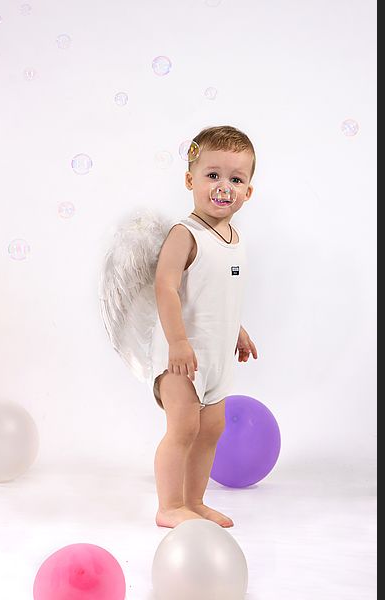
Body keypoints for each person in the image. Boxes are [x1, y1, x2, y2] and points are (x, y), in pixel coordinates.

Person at [151, 125, 258, 528]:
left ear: (248, 192)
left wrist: (239, 330)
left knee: (210, 430)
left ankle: (194, 502)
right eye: (212, 175)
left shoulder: (234, 238)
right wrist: (177, 342)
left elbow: (218, 297)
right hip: (183, 356)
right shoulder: (186, 234)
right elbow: (166, 287)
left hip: (217, 358)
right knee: (183, 428)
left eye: (236, 178)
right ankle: (168, 506)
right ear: (189, 179)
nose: (223, 186)